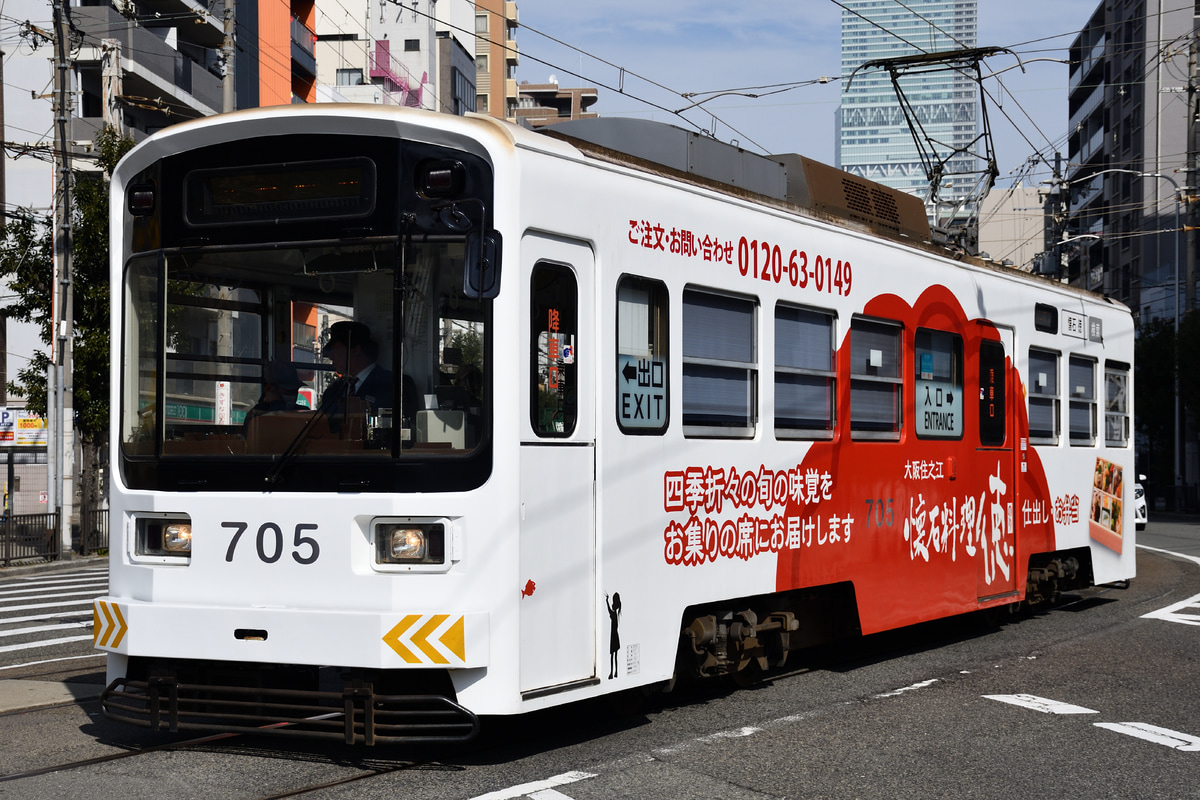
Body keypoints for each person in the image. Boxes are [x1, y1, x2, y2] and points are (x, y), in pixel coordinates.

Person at [320, 320, 394, 413]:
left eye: (335, 349)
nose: (331, 356)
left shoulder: (391, 385)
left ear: (355, 350)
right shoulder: (333, 391)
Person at [244, 359, 308, 427]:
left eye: (295, 390)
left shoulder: (303, 413)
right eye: (288, 390)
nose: (293, 394)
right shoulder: (256, 414)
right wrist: (276, 405)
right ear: (269, 388)